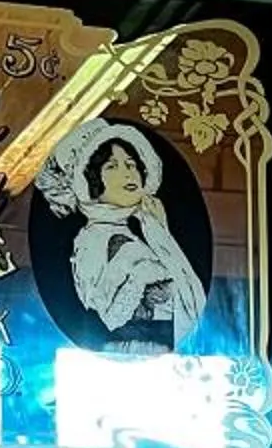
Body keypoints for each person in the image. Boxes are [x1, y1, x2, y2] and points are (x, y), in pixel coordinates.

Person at [40, 119, 206, 349]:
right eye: (112, 166)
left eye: (131, 164)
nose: (128, 173)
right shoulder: (106, 242)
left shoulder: (125, 234)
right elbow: (117, 318)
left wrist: (160, 234)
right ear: (91, 180)